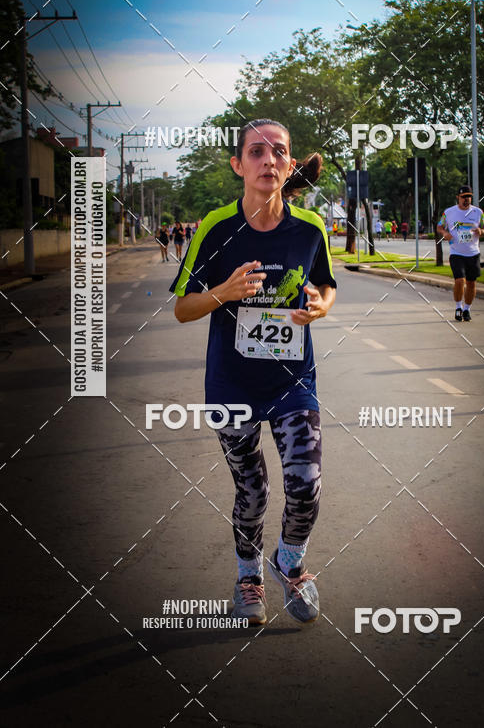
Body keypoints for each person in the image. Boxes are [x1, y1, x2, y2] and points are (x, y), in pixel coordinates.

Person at [170, 118, 337, 626]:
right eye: (257, 152)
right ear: (238, 165)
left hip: (293, 381)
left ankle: (290, 562)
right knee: (254, 490)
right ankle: (249, 576)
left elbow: (326, 285)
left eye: (278, 152)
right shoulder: (216, 228)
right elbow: (182, 308)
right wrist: (223, 293)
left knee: (306, 484)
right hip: (232, 384)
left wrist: (321, 306)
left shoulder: (310, 228)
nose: (268, 160)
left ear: (290, 164)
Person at [437, 185, 484, 323]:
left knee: (471, 283)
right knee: (460, 280)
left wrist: (481, 231)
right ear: (458, 198)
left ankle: (467, 309)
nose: (466, 199)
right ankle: (458, 307)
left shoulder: (478, 212)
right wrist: (445, 233)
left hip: (473, 253)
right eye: (463, 197)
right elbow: (439, 226)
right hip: (456, 252)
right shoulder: (448, 212)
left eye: (469, 197)